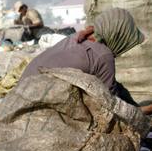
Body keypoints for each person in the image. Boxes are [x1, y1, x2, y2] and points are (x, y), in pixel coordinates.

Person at [20, 7, 151, 114]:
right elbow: (111, 108)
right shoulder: (103, 55)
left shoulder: (78, 37)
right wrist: (148, 110)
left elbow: (114, 87)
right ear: (119, 37)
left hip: (20, 95)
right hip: (38, 107)